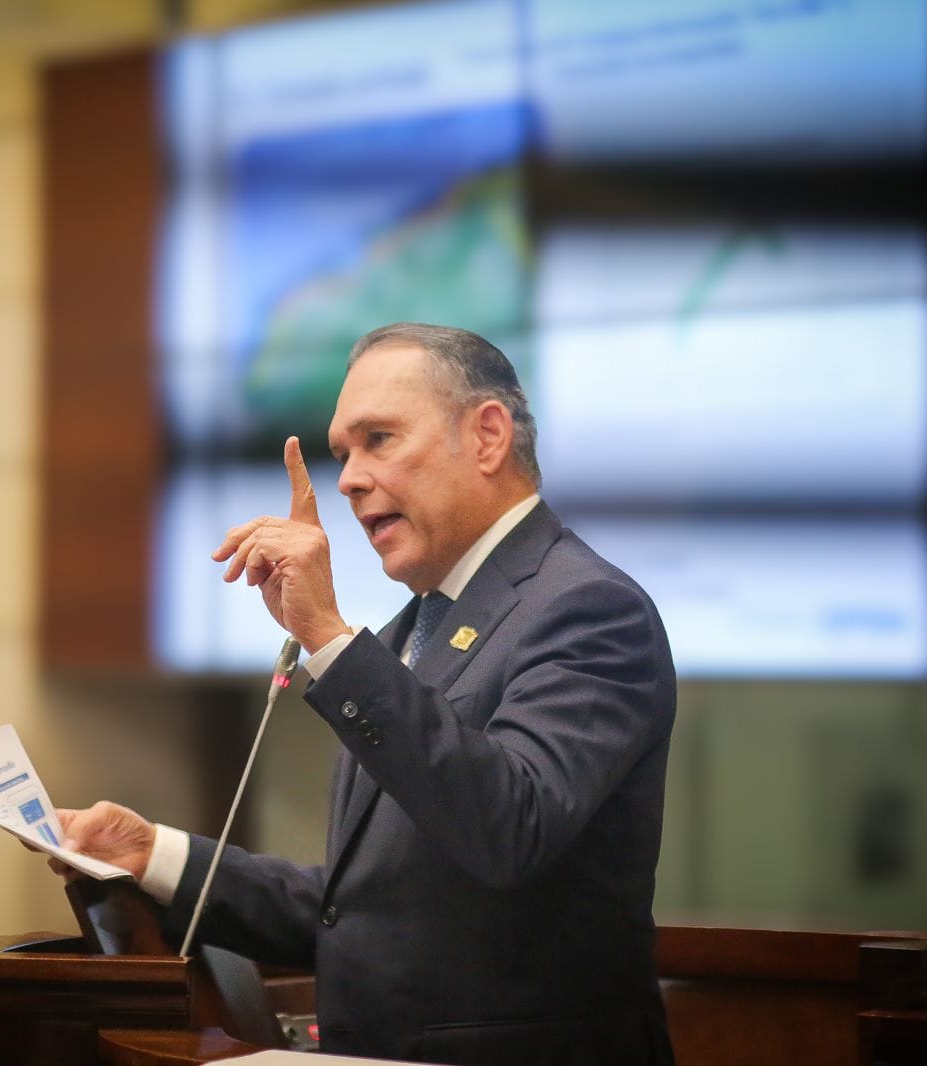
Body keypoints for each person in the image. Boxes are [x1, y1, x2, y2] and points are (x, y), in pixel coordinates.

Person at [51, 323, 677, 1065]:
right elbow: (358, 912)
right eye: (342, 452)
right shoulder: (415, 628)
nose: (347, 479)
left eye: (379, 439)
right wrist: (153, 854)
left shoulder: (588, 607)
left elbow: (511, 827)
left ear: (486, 437)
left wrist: (326, 635)